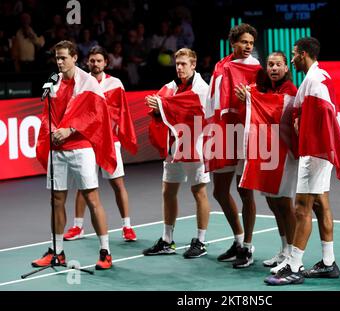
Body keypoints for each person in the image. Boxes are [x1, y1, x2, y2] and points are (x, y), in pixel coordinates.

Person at [265, 37, 340, 285]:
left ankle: (293, 266)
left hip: (315, 151)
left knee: (301, 207)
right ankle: (328, 262)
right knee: (320, 204)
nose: (292, 59)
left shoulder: (314, 81)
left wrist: (312, 138)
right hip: (320, 150)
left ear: (303, 54)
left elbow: (325, 112)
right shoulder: (319, 76)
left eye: (293, 54)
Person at [33, 40, 117, 270]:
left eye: (63, 58)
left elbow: (96, 115)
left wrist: (70, 129)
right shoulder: (53, 82)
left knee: (92, 199)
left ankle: (105, 252)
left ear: (74, 58)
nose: (59, 62)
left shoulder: (88, 82)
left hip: (80, 149)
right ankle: (57, 252)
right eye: (57, 58)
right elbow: (45, 113)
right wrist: (51, 130)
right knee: (56, 200)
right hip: (57, 150)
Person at [63, 45, 138, 243]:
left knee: (117, 184)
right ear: (87, 62)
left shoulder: (115, 83)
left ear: (106, 63)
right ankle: (78, 226)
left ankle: (127, 226)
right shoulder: (80, 82)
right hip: (86, 142)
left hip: (109, 141)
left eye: (99, 60)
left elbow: (119, 113)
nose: (95, 64)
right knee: (84, 184)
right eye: (92, 60)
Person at [143, 48, 211, 259]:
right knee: (168, 191)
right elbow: (163, 109)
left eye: (184, 63)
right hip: (175, 147)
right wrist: (156, 107)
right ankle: (167, 240)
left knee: (198, 192)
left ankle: (200, 241)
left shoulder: (202, 88)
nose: (180, 67)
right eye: (177, 64)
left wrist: (162, 104)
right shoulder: (170, 87)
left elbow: (189, 107)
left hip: (195, 147)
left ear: (194, 64)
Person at [205, 23, 262, 269]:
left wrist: (249, 98)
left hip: (245, 132)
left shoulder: (257, 69)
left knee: (244, 191)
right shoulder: (222, 66)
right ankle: (238, 240)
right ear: (233, 43)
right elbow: (213, 99)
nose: (248, 46)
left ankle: (248, 247)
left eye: (251, 43)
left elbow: (264, 98)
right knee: (219, 190)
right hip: (223, 131)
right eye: (244, 42)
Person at [235, 51, 298, 273]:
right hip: (270, 154)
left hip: (286, 155)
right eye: (270, 65)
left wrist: (253, 98)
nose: (273, 68)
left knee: (284, 205)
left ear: (286, 68)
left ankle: (292, 254)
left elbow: (275, 108)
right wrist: (250, 98)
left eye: (278, 65)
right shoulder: (268, 89)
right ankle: (283, 250)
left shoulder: (289, 90)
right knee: (273, 204)